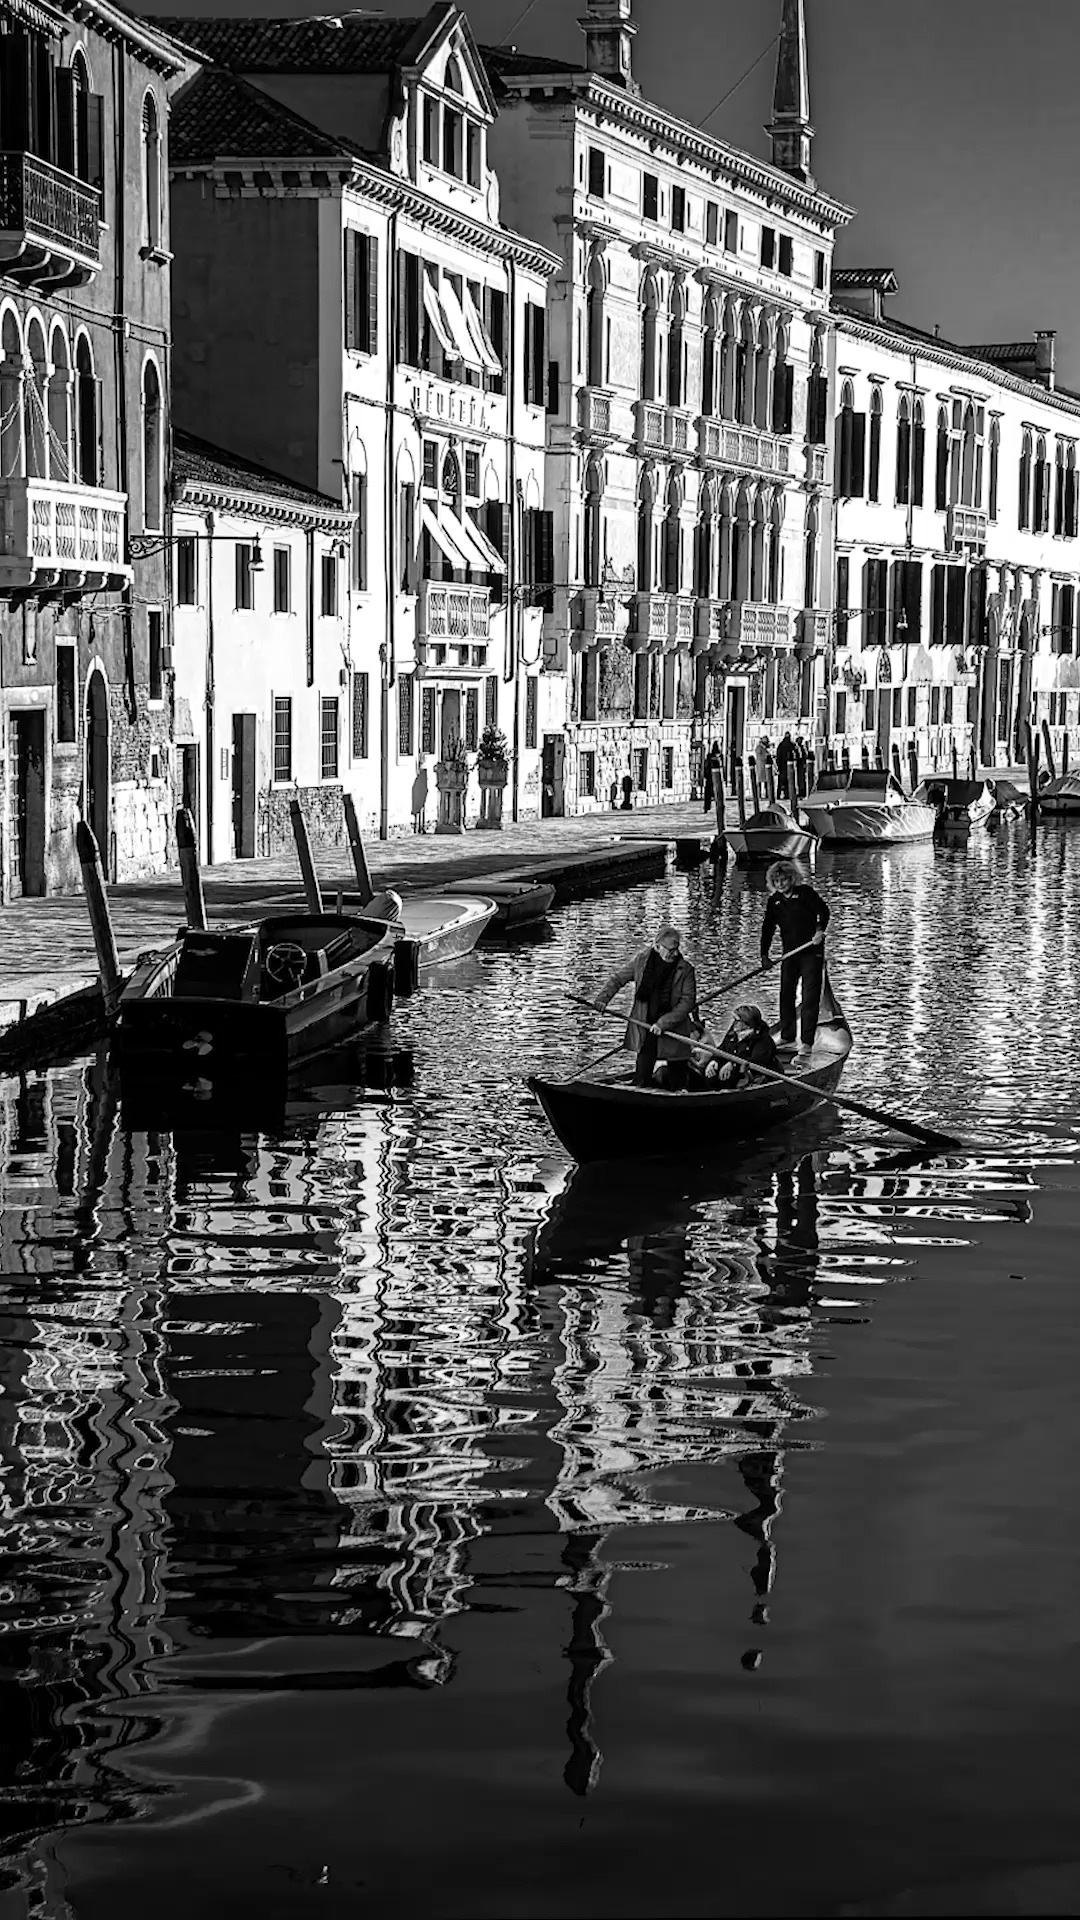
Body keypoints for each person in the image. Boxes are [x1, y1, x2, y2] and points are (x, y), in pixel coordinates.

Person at [594, 926, 697, 1087]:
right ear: (657, 947)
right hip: (645, 1025)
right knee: (642, 1074)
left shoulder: (686, 970)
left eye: (676, 949)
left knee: (678, 1078)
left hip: (674, 1029)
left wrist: (663, 1023)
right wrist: (602, 999)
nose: (675, 954)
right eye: (671, 949)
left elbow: (687, 1003)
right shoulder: (641, 961)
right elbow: (618, 979)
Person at [760, 859, 830, 1057]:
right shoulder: (774, 901)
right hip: (789, 954)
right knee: (786, 993)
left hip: (811, 952)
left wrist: (819, 931)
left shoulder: (806, 893)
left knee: (809, 996)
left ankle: (807, 1041)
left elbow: (823, 912)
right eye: (777, 880)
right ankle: (787, 1034)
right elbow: (768, 929)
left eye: (784, 879)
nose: (781, 883)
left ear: (792, 878)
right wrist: (764, 955)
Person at [689, 1004, 779, 1088]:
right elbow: (721, 1050)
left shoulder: (763, 1040)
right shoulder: (733, 1034)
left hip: (750, 1073)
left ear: (747, 1023)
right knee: (710, 1074)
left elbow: (757, 1062)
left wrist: (733, 1064)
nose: (734, 1023)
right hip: (730, 1066)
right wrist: (714, 1061)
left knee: (729, 1075)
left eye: (737, 1020)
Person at [775, 731, 797, 803]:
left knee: (781, 781)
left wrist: (778, 765)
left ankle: (779, 795)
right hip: (789, 765)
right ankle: (787, 794)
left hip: (782, 765)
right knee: (788, 781)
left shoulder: (781, 745)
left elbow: (778, 756)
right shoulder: (792, 745)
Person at [702, 739, 722, 814]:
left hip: (709, 777)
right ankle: (714, 807)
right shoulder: (719, 756)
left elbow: (706, 766)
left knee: (708, 794)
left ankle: (707, 807)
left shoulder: (710, 756)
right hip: (714, 777)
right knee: (717, 794)